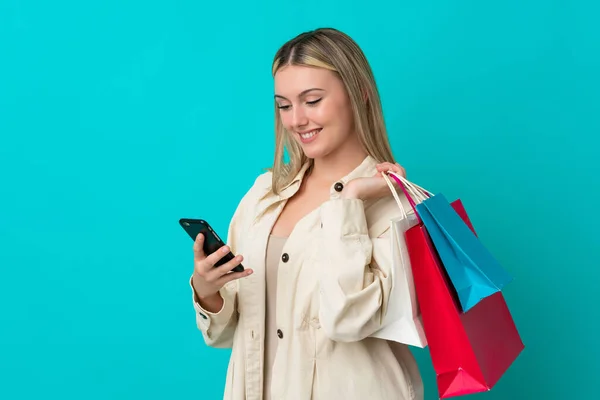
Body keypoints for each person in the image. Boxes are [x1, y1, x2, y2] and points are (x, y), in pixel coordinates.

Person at [189, 27, 423, 400]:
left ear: (359, 95)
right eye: (284, 105)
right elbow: (228, 332)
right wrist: (207, 289)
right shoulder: (264, 194)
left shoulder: (396, 208)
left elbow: (348, 321)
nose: (297, 120)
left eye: (312, 100)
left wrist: (350, 202)